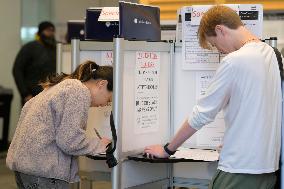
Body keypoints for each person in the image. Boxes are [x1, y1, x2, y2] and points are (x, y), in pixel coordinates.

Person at [144, 5, 281, 189]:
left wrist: (168, 149)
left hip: (238, 170)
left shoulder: (234, 61)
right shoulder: (272, 54)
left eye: (215, 44)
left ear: (220, 29)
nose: (220, 51)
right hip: (267, 170)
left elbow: (201, 114)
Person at [6, 60, 113, 189]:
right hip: (43, 171)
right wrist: (99, 145)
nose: (104, 105)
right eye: (108, 99)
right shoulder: (79, 91)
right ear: (102, 84)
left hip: (26, 167)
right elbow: (69, 140)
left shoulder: (60, 86)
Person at [13, 21, 56, 105]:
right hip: (32, 97)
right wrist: (25, 94)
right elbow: (17, 70)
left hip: (51, 96)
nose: (50, 33)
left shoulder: (56, 49)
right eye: (47, 30)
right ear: (40, 32)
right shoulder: (30, 47)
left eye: (52, 30)